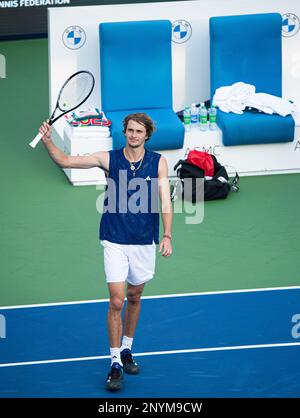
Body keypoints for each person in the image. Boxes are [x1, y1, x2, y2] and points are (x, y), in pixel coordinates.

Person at [39, 113, 173, 391]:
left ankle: (127, 349)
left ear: (147, 135)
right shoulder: (109, 158)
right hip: (114, 239)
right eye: (130, 131)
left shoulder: (159, 162)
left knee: (135, 296)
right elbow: (66, 161)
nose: (133, 135)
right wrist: (48, 141)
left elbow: (165, 202)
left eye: (139, 131)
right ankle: (114, 363)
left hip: (144, 241)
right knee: (117, 299)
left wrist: (168, 235)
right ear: (124, 132)